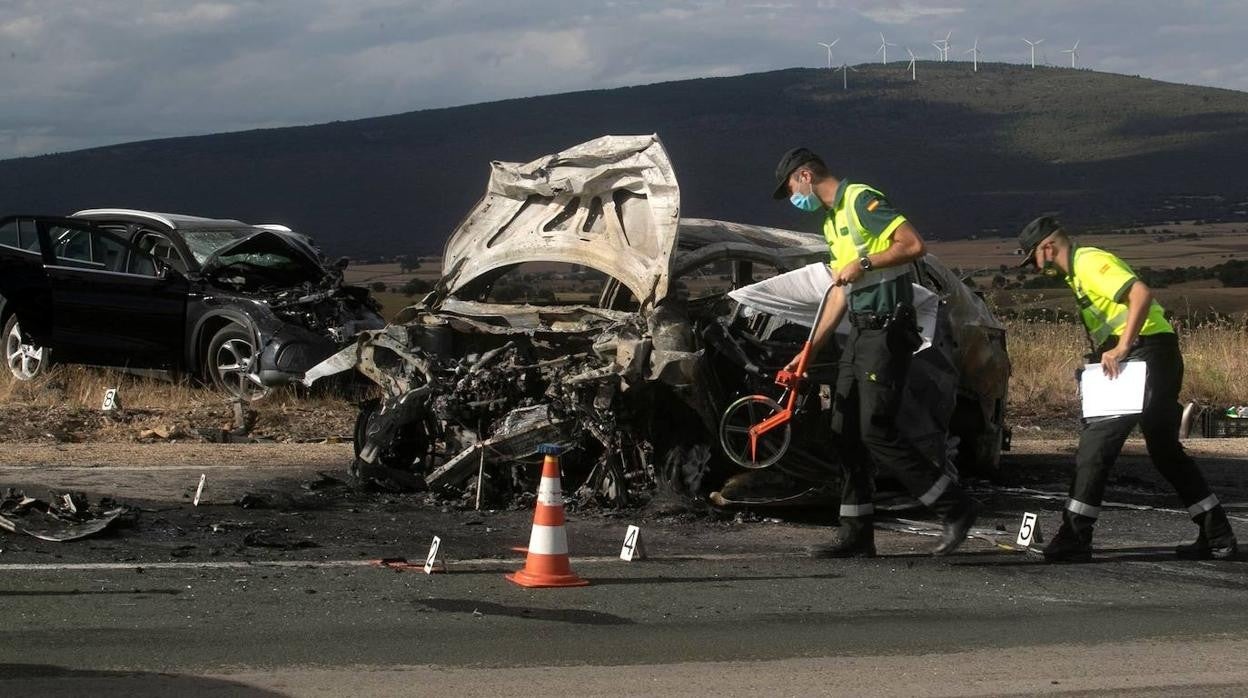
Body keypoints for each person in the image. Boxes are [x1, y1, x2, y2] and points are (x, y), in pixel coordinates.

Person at [772, 147, 979, 557]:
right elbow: (838, 293)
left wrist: (865, 262)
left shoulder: (860, 201)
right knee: (843, 429)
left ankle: (955, 507)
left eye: (791, 188)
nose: (793, 199)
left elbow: (913, 243)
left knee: (875, 430)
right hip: (860, 333)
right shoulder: (833, 222)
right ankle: (856, 532)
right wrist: (808, 351)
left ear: (805, 176)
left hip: (887, 331)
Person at [1016, 215, 1238, 562]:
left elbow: (1140, 294)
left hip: (1142, 357)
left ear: (1048, 247)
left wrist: (1121, 347)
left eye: (1034, 259)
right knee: (1164, 450)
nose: (1035, 267)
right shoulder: (1077, 274)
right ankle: (1217, 533)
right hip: (1154, 355)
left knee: (1096, 445)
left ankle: (1075, 536)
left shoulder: (1088, 262)